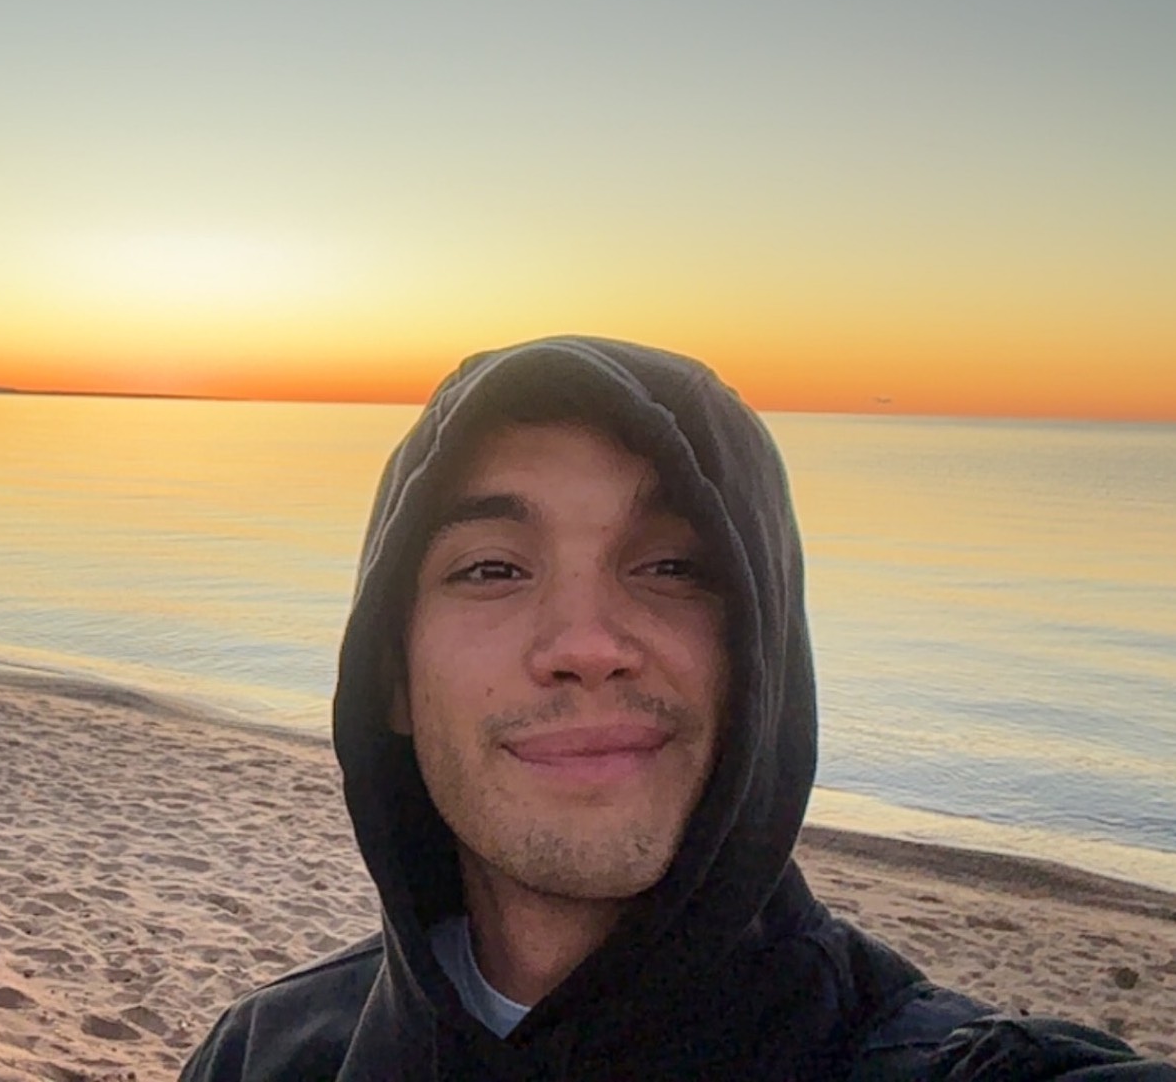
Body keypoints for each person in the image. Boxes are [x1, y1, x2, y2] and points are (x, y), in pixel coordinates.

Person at [180, 337, 1174, 1080]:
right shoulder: (260, 1057)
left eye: (668, 564)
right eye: (490, 568)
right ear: (389, 678)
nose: (583, 645)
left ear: (760, 661)